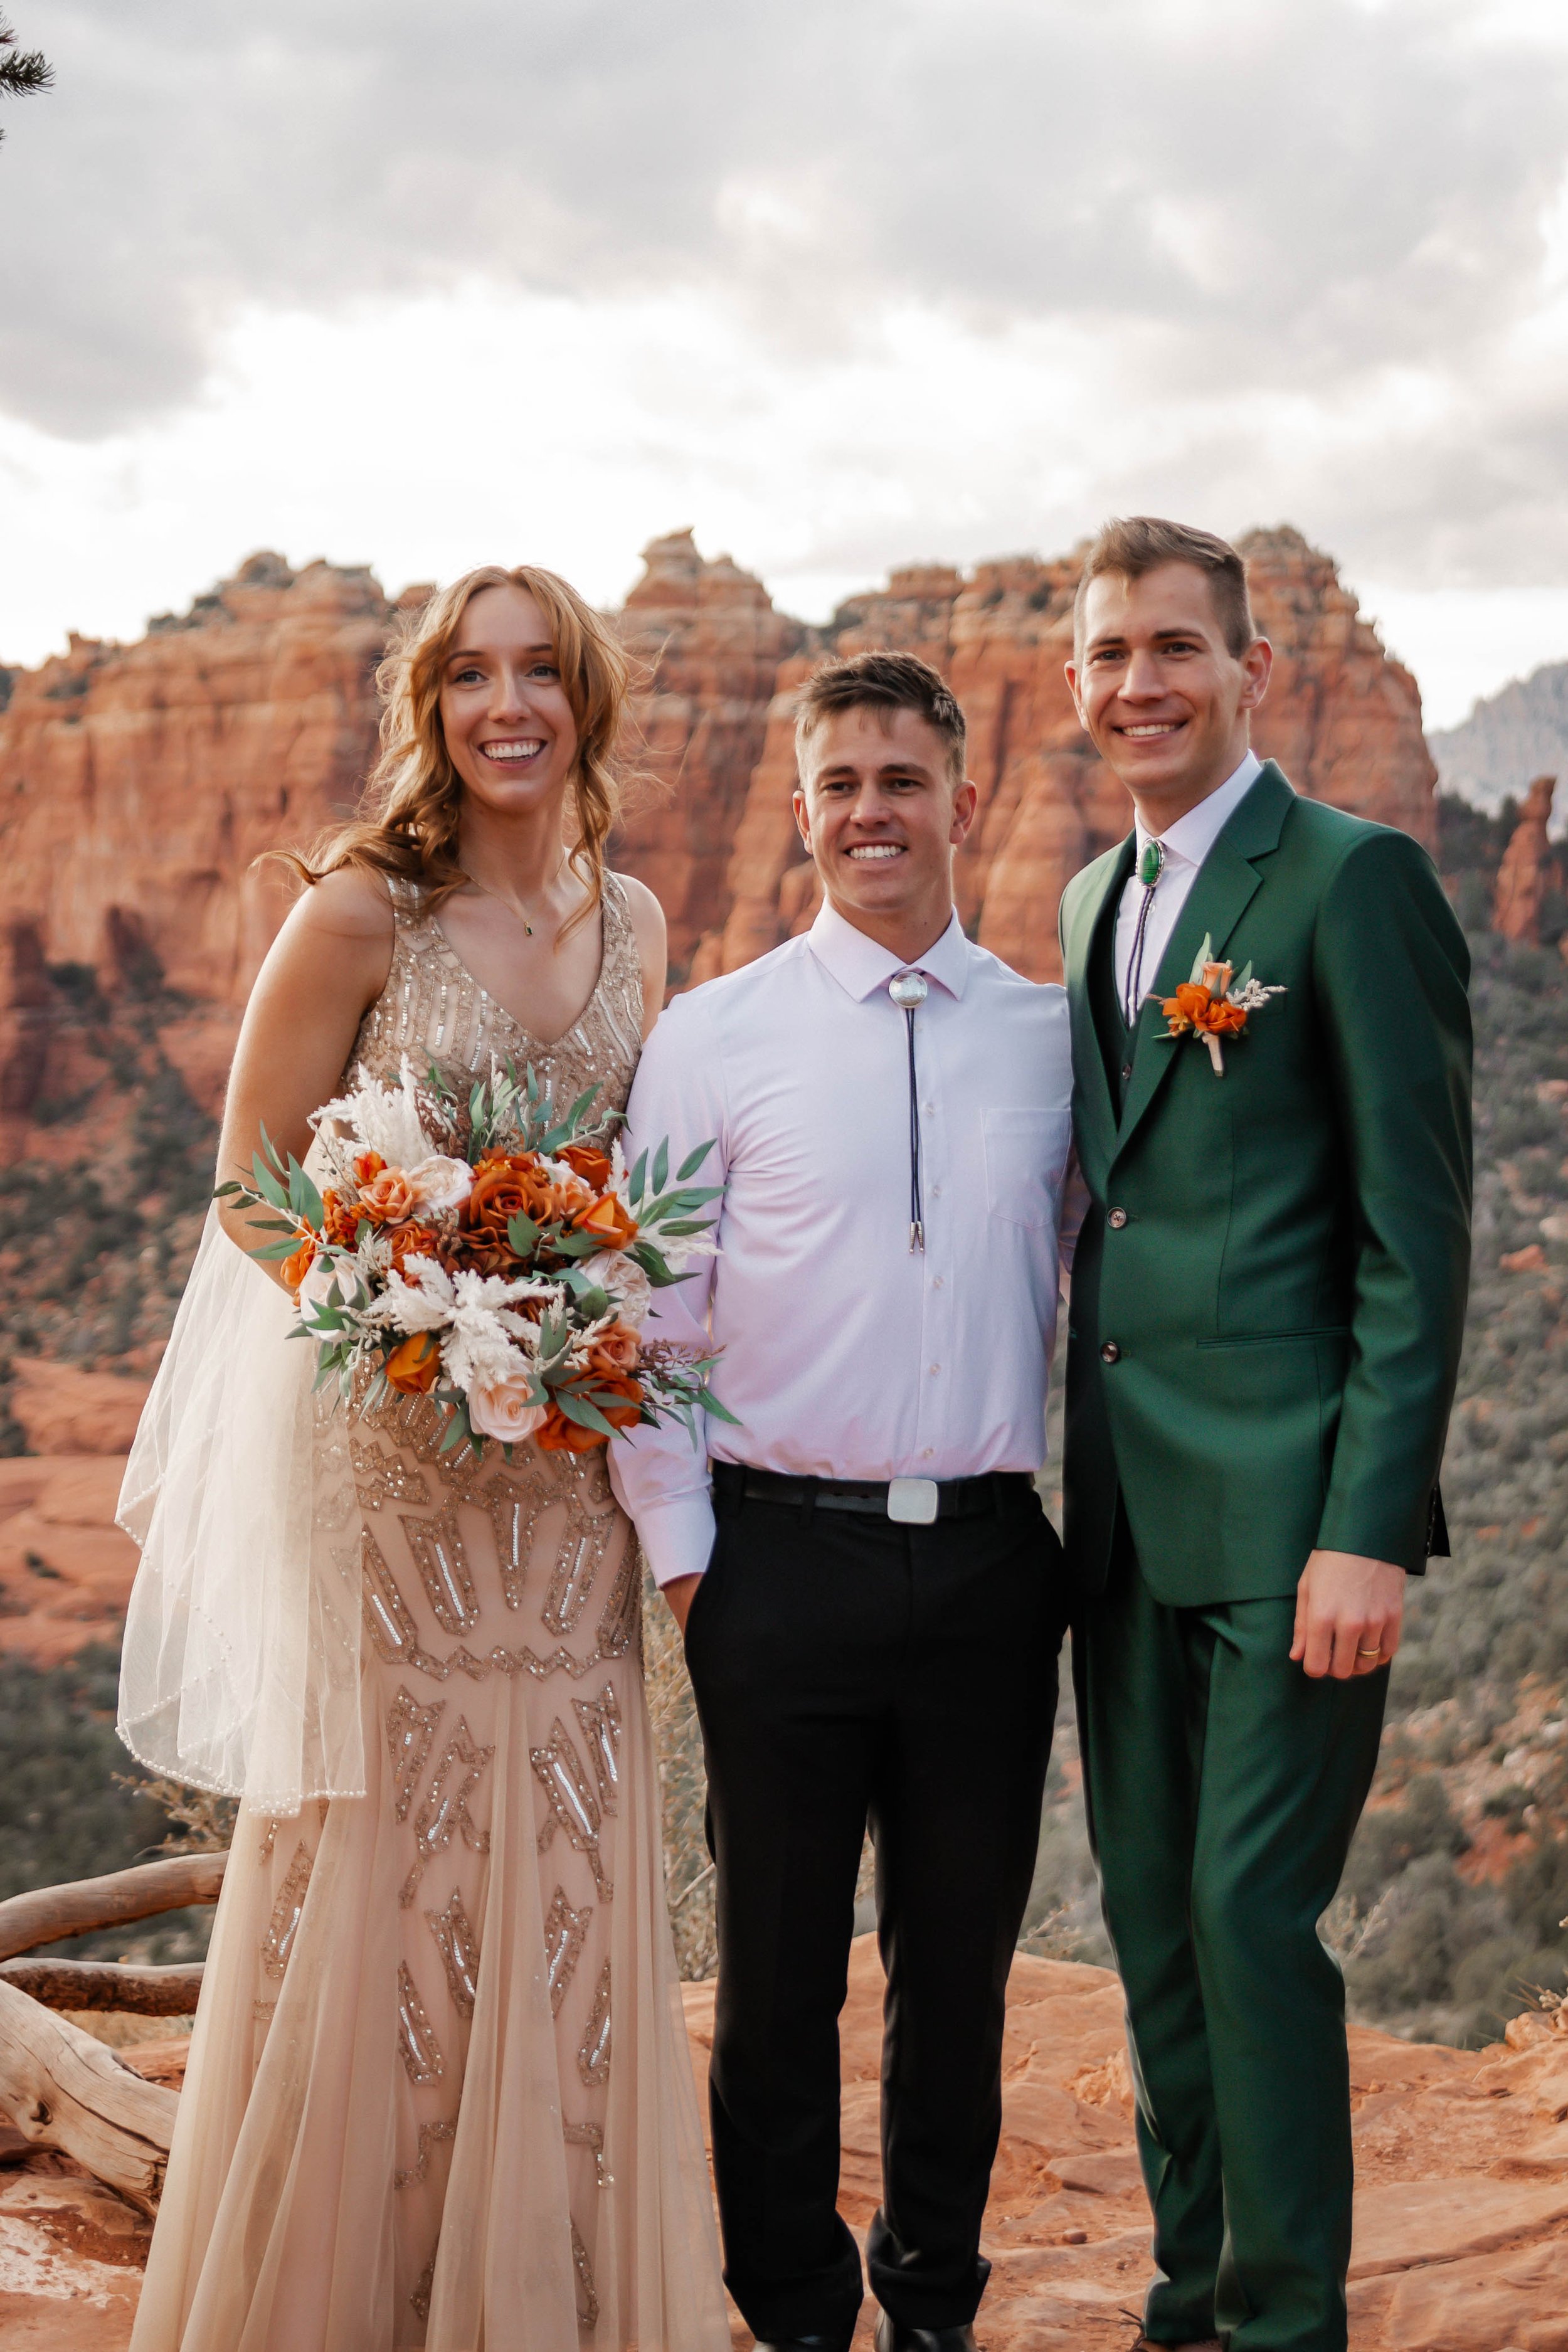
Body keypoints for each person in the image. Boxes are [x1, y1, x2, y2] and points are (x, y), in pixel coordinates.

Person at [117, 564, 729, 2351]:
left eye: (541, 671)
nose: (508, 704)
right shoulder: (360, 914)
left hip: (564, 1488)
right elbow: (251, 1182)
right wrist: (409, 1311)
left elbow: (631, 1194)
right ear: (432, 707)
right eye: (471, 676)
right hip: (390, 1477)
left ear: (585, 702)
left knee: (562, 1855)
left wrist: (558, 1325)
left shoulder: (641, 925)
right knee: (394, 1863)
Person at [608, 650, 1077, 2352]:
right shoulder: (709, 1035)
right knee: (778, 1977)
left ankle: (933, 2301)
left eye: (900, 778)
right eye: (838, 784)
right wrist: (686, 1571)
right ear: (802, 807)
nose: (869, 811)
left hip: (988, 1563)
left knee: (956, 1977)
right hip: (771, 1561)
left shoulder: (1051, 1036)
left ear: (967, 799)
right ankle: (795, 2309)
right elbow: (646, 1317)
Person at [1057, 517, 1471, 2352]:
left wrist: (1367, 1527)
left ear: (1251, 673)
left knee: (1245, 1913)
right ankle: (1186, 2297)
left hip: (1298, 1511)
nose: (1136, 684)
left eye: (1170, 649)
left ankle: (1285, 2318)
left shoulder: (1346, 881)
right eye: (1106, 657)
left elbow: (1415, 1234)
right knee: (1150, 1924)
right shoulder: (1087, 905)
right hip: (1120, 1520)